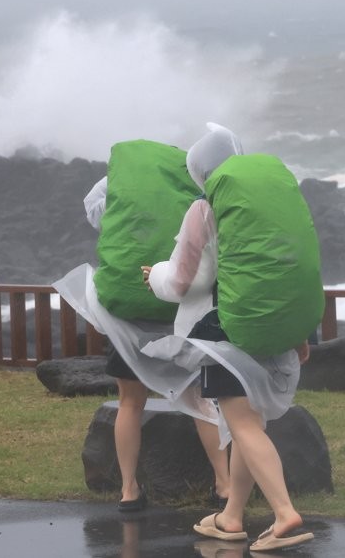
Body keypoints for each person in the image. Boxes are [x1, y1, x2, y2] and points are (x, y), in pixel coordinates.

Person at [144, 122, 323, 552]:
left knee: (242, 425)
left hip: (222, 330)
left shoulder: (204, 210)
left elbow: (189, 280)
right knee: (250, 426)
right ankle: (231, 517)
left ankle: (284, 514)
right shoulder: (265, 208)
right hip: (267, 322)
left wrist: (156, 276)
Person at [56, 139, 230, 512]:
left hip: (124, 307)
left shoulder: (117, 180)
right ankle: (224, 484)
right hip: (175, 306)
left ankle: (130, 490)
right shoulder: (196, 181)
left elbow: (96, 215)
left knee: (129, 403)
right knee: (199, 397)